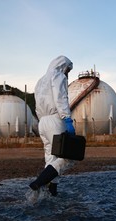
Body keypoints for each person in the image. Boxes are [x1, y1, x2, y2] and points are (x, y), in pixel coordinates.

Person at [29, 55, 76, 196]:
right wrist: (67, 119)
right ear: (63, 66)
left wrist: (42, 120)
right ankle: (39, 182)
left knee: (51, 158)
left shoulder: (40, 81)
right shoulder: (58, 76)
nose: (67, 73)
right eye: (68, 70)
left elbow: (37, 105)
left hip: (42, 122)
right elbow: (60, 98)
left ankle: (50, 193)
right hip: (56, 120)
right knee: (69, 156)